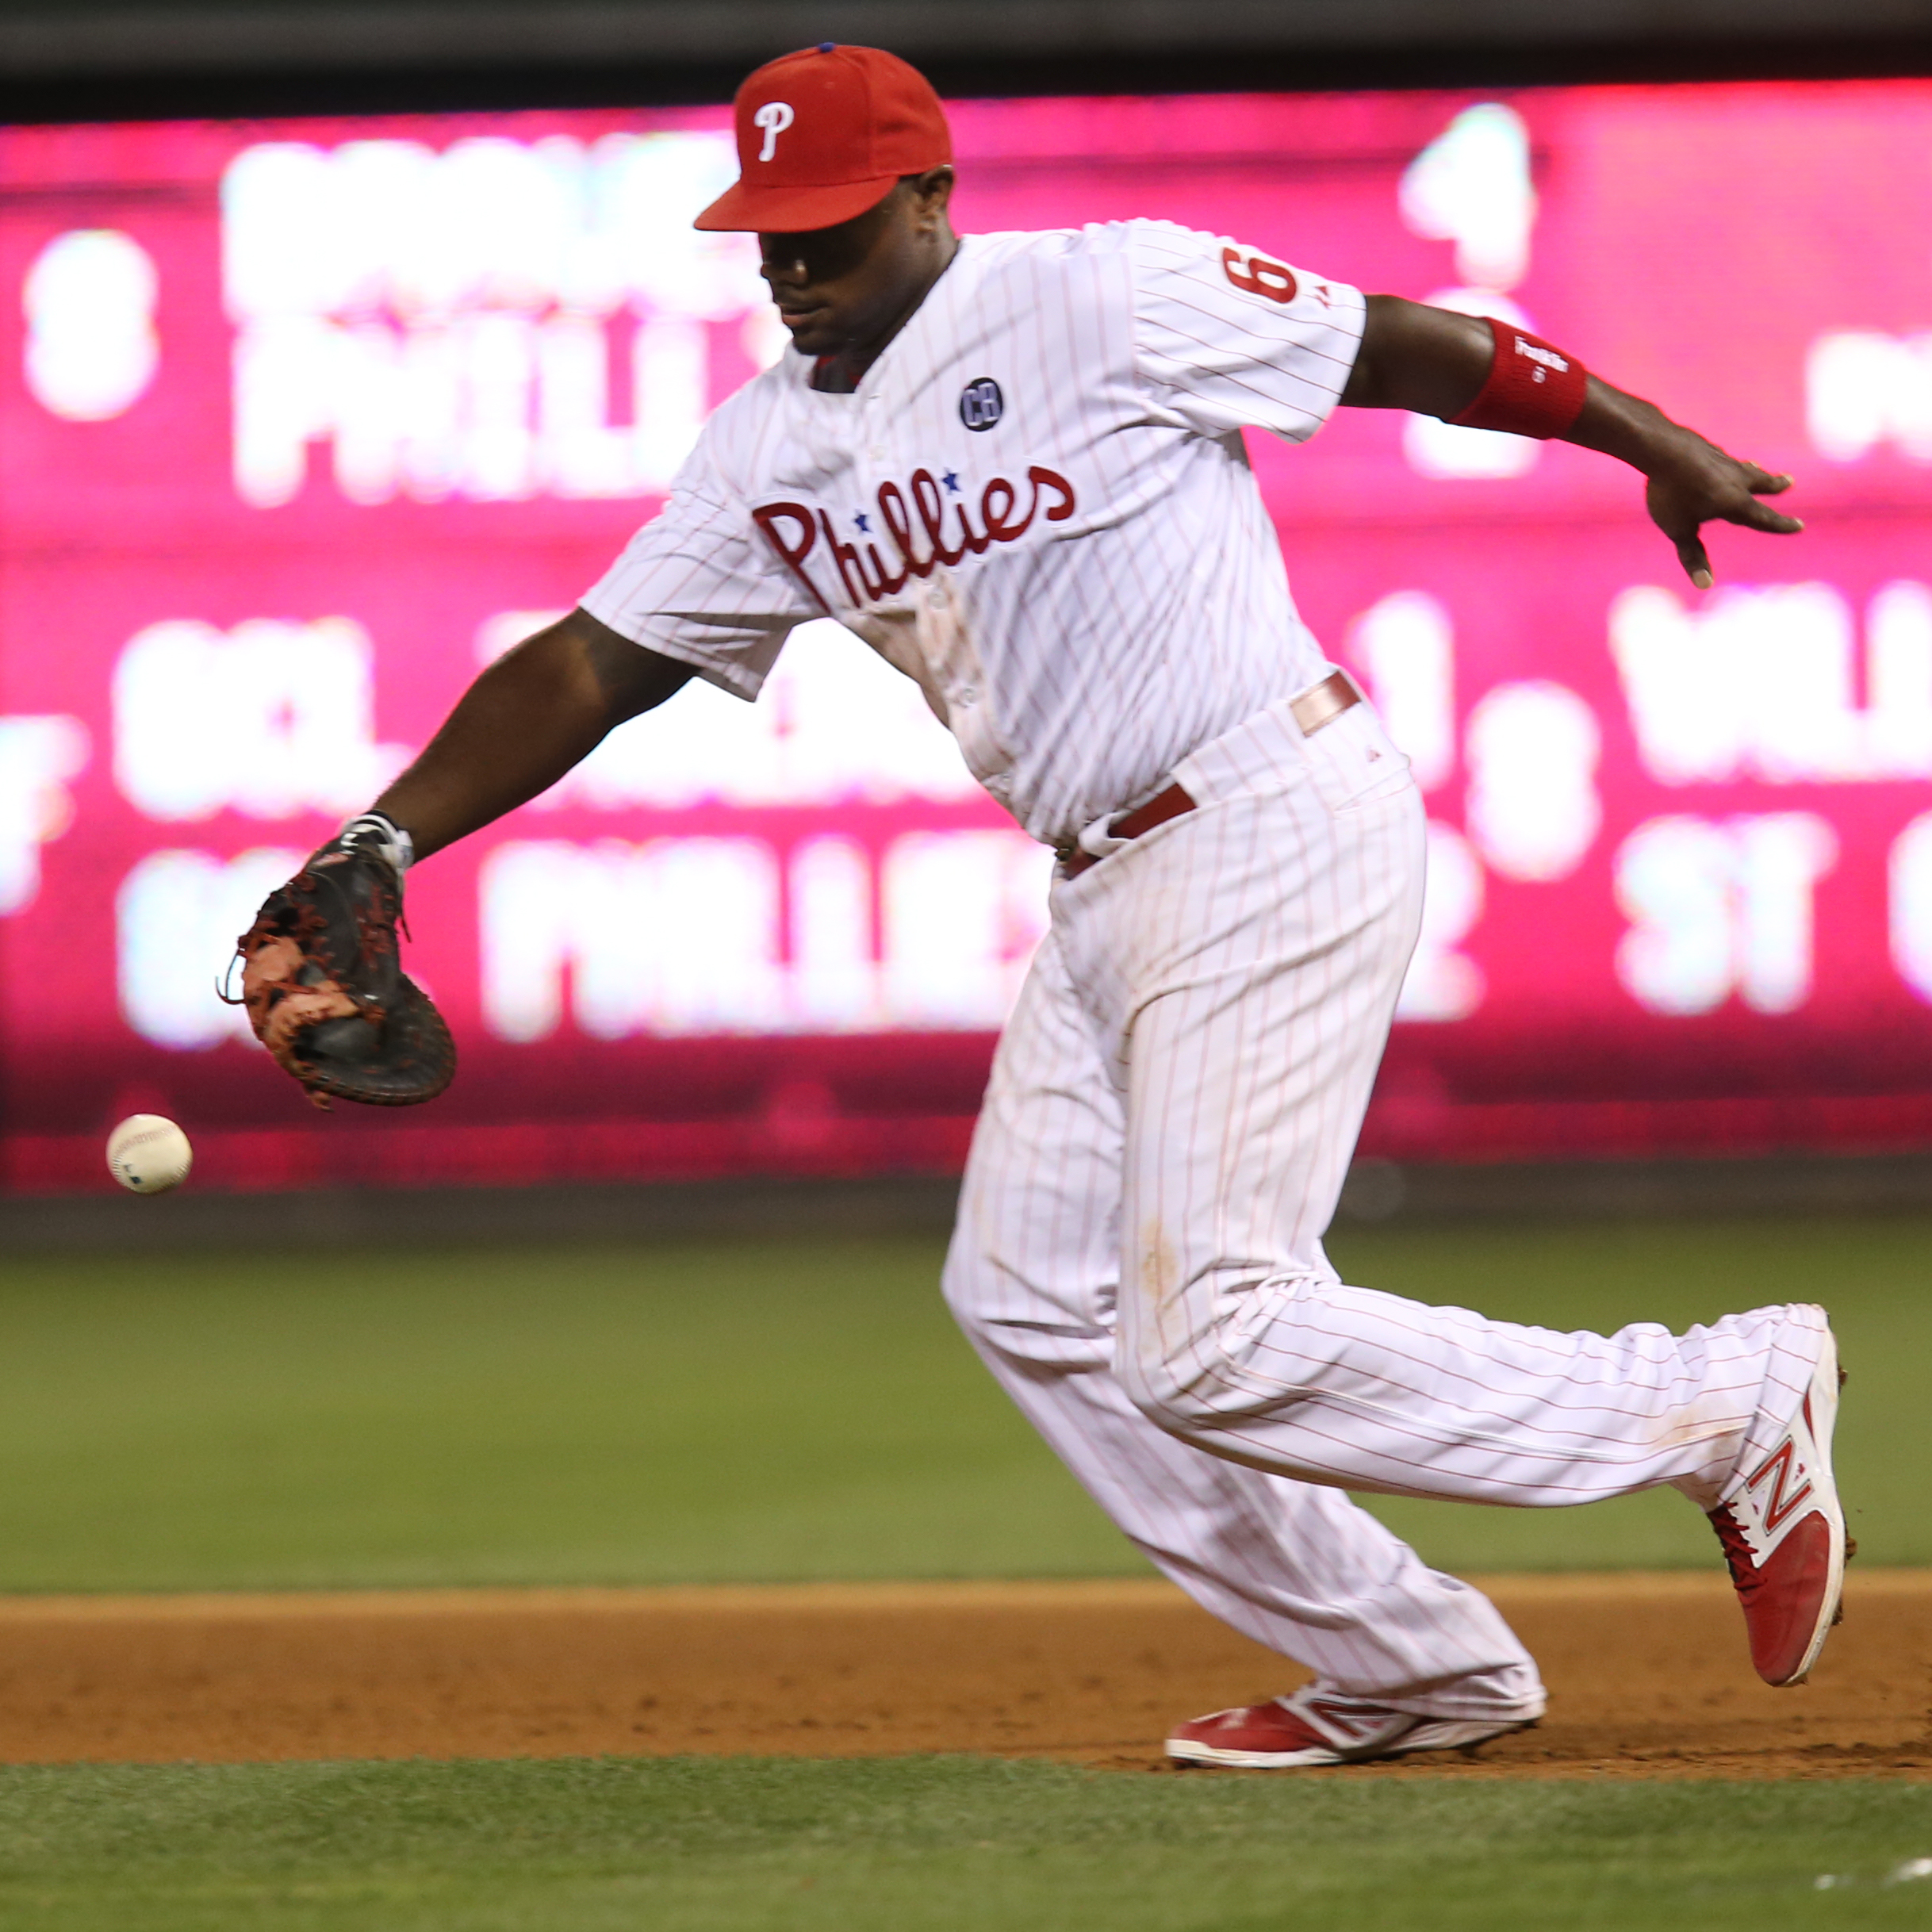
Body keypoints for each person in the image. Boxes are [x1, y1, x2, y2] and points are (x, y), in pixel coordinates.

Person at [247, 44, 1846, 1769]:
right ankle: (1412, 1662)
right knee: (1029, 1291)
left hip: (1263, 811)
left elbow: (1404, 346)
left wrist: (1641, 436)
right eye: (772, 229)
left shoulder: (1101, 294)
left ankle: (1718, 1403)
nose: (796, 261)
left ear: (932, 197)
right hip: (1105, 883)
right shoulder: (766, 447)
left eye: (834, 223)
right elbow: (592, 662)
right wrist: (379, 843)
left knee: (1215, 1334)